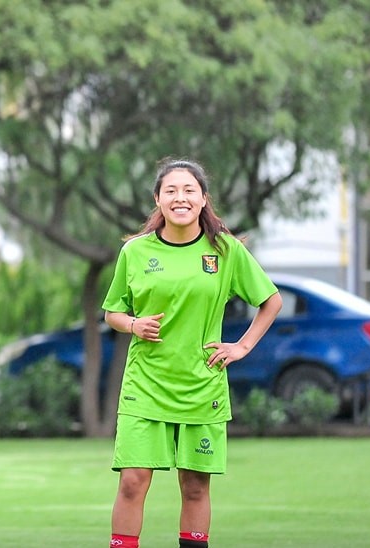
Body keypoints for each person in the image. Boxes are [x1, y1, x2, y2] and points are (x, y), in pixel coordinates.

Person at [101, 158, 283, 548]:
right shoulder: (134, 253)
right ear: (158, 199)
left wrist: (242, 346)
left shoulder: (225, 251)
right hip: (145, 385)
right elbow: (112, 311)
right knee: (132, 482)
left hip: (202, 386)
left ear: (203, 199)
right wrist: (133, 324)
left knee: (196, 487)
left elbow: (270, 301)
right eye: (171, 190)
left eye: (189, 190)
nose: (180, 197)